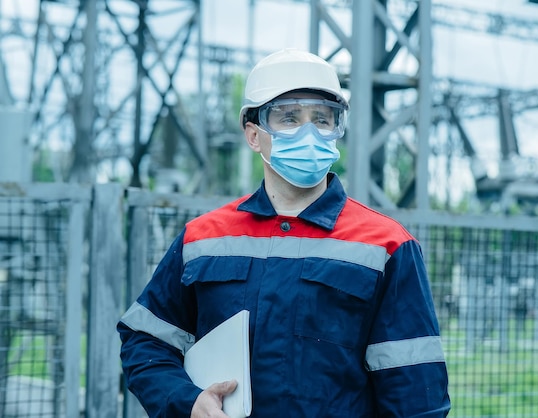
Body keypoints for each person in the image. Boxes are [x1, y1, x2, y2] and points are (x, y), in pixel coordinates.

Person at [117, 48, 451, 417]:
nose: (309, 132)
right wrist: (188, 401)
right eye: (289, 118)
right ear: (254, 135)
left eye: (323, 119)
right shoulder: (203, 239)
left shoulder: (387, 245)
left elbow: (417, 397)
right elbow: (144, 341)